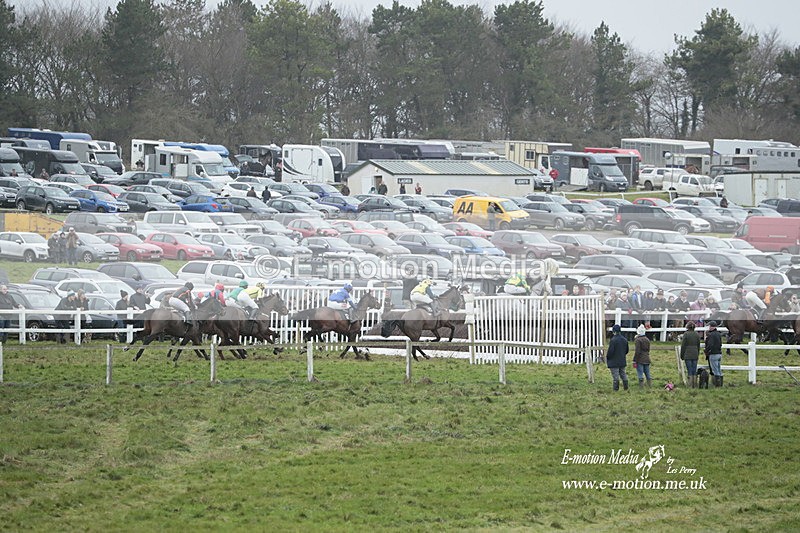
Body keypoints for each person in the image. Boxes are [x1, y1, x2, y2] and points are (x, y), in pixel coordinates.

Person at [606, 324, 629, 391]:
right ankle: (626, 387)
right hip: (622, 360)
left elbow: (610, 352)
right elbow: (627, 350)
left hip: (614, 361)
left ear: (614, 331)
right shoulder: (625, 339)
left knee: (615, 376)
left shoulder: (613, 340)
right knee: (623, 374)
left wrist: (608, 357)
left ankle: (616, 389)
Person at [680, 321, 701, 388]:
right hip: (695, 354)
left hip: (687, 354)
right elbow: (698, 345)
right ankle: (695, 384)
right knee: (694, 369)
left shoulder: (686, 334)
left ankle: (690, 385)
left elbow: (683, 345)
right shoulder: (697, 334)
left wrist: (682, 355)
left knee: (689, 369)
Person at [705, 320, 723, 387]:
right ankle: (720, 383)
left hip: (713, 354)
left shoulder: (711, 335)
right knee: (718, 369)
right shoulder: (718, 334)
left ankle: (717, 384)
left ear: (712, 327)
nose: (709, 327)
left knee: (715, 370)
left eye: (709, 326)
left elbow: (710, 345)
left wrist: (706, 350)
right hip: (719, 353)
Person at [633, 324, 652, 388]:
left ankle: (641, 387)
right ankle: (649, 385)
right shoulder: (647, 339)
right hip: (647, 358)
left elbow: (637, 351)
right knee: (647, 373)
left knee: (640, 373)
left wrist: (635, 360)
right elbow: (648, 350)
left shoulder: (638, 340)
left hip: (640, 359)